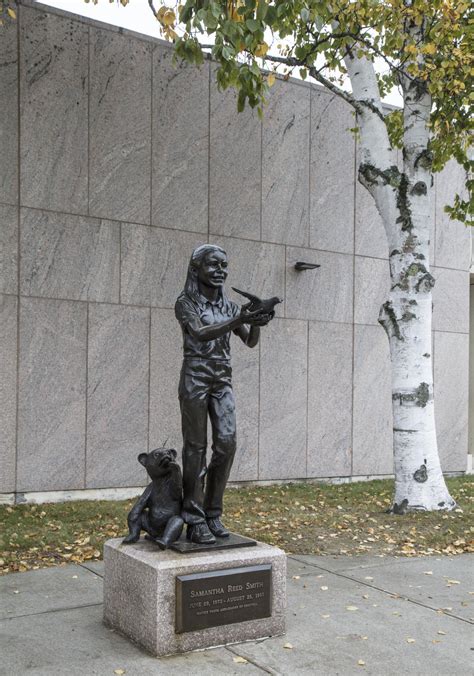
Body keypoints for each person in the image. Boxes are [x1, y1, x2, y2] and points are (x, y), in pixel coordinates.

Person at [175, 244, 270, 544]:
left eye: (224, 266)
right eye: (213, 265)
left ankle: (213, 512)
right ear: (196, 269)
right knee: (195, 448)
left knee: (227, 444)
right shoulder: (186, 303)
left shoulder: (229, 308)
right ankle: (194, 517)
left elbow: (250, 342)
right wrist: (240, 320)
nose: (220, 271)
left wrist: (257, 320)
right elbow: (201, 333)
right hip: (195, 375)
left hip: (222, 378)